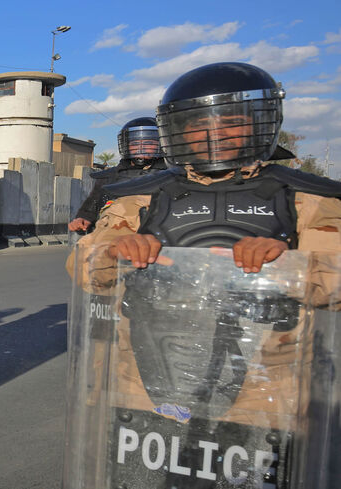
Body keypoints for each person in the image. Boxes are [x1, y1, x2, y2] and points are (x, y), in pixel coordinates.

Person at [69, 61, 341, 487]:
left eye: (231, 123)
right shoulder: (141, 197)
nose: (214, 135)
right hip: (150, 376)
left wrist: (289, 264)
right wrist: (117, 253)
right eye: (198, 126)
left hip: (267, 385)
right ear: (178, 132)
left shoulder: (306, 199)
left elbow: (336, 281)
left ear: (259, 124)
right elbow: (86, 270)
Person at [68, 117, 165, 233]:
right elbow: (92, 206)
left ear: (160, 144)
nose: (141, 148)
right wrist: (83, 219)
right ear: (126, 145)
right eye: (135, 143)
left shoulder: (172, 175)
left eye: (148, 143)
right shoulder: (109, 177)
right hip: (114, 235)